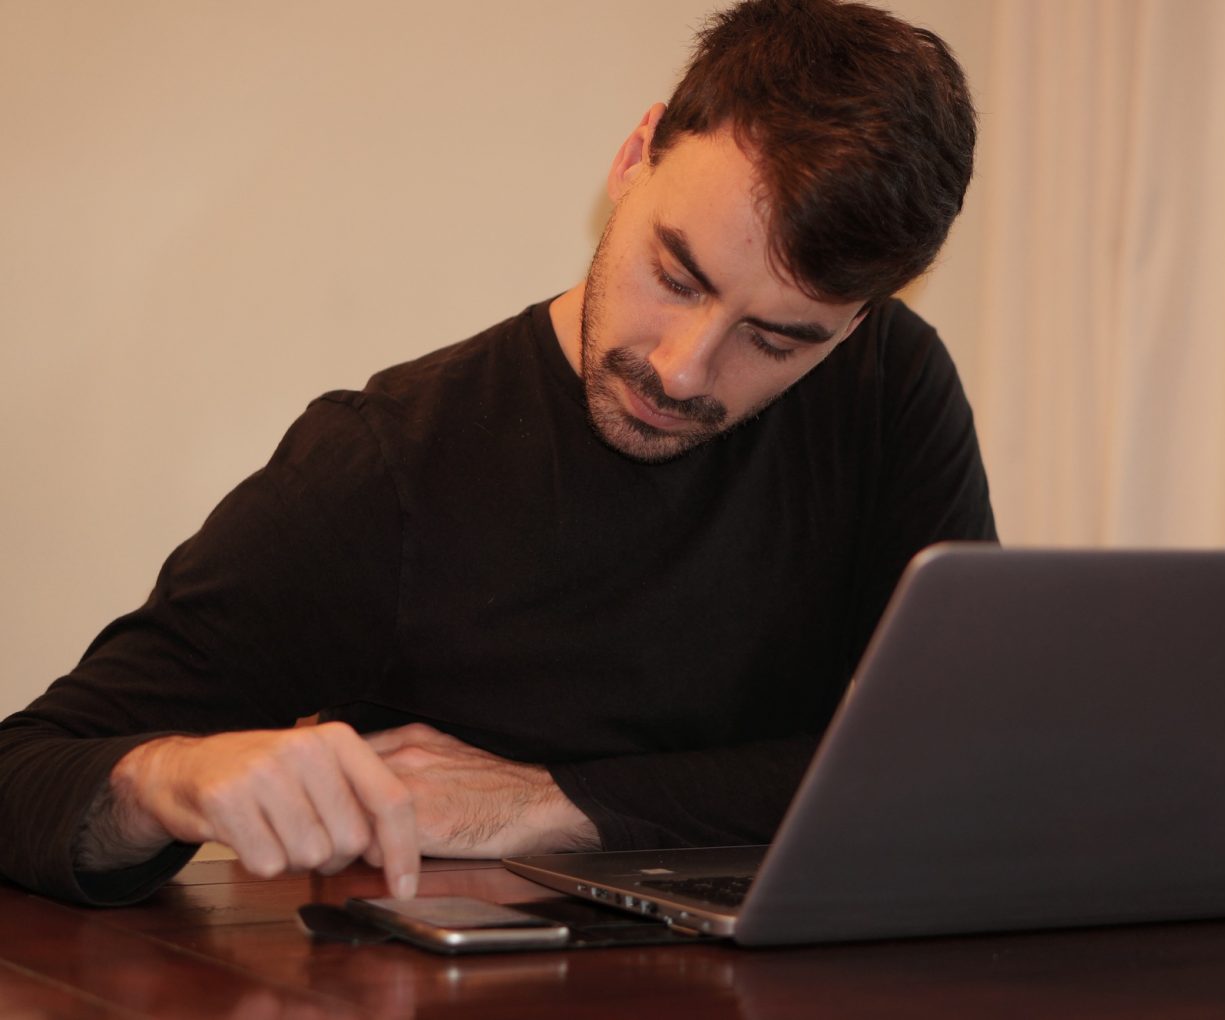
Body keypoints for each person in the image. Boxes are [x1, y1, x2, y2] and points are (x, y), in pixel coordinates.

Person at [0, 0, 994, 906]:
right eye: (676, 275)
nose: (683, 369)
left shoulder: (887, 388)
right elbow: (24, 772)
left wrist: (555, 803)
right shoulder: (388, 466)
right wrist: (167, 778)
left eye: (775, 340)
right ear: (634, 157)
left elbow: (968, 766)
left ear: (856, 322)